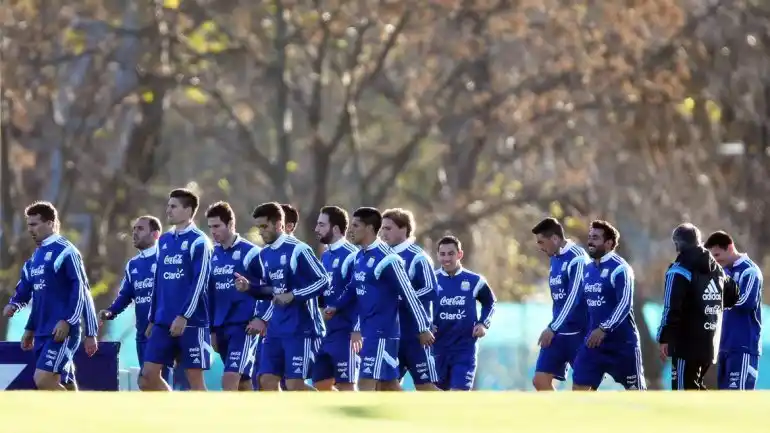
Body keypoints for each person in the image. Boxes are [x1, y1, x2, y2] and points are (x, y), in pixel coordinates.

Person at [324, 207, 434, 391]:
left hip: (382, 333)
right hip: (369, 331)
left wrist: (423, 328)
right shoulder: (360, 255)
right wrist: (336, 306)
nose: (350, 230)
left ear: (369, 228)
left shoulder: (388, 259)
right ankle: (419, 417)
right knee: (387, 386)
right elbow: (353, 287)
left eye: (356, 225)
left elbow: (409, 295)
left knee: (365, 383)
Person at [4, 201, 99, 390]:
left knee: (43, 379)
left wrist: (72, 323)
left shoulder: (66, 251)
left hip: (61, 330)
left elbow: (81, 291)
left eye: (35, 224)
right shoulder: (34, 259)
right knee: (64, 383)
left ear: (51, 223)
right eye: (28, 224)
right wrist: (18, 310)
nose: (30, 229)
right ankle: (81, 417)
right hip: (41, 331)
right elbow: (28, 290)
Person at [235, 202, 327, 391]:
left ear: (279, 224)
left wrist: (293, 295)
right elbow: (271, 291)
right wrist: (249, 288)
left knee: (294, 385)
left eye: (264, 226)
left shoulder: (299, 250)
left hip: (299, 329)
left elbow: (323, 280)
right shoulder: (265, 255)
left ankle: (326, 411)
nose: (260, 232)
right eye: (258, 227)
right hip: (276, 328)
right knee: (265, 381)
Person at [141, 188, 213, 391]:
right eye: (168, 205)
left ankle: (209, 420)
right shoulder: (163, 240)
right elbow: (158, 281)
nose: (168, 210)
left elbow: (200, 282)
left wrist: (184, 316)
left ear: (188, 211)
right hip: (163, 321)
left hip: (191, 322)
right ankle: (173, 411)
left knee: (194, 380)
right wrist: (153, 317)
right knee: (147, 376)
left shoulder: (199, 242)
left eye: (173, 206)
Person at [656, 224, 734, 390]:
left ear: (678, 244)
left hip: (686, 345)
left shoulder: (678, 270)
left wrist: (665, 337)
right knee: (695, 389)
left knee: (683, 393)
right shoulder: (718, 271)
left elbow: (671, 307)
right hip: (710, 343)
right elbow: (733, 295)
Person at [98, 216, 173, 388]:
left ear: (155, 234)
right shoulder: (133, 265)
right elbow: (126, 294)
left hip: (161, 330)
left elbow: (172, 293)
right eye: (134, 229)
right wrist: (111, 311)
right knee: (147, 383)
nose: (135, 233)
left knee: (150, 378)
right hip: (142, 332)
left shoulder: (166, 260)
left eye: (140, 229)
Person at [571, 220, 646, 391]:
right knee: (578, 392)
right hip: (593, 344)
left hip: (622, 344)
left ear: (609, 243)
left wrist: (604, 328)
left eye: (596, 238)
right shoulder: (587, 269)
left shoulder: (621, 269)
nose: (590, 241)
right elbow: (583, 305)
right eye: (590, 237)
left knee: (637, 395)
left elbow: (625, 304)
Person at [206, 202, 273, 391]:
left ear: (230, 224)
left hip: (244, 328)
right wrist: (212, 330)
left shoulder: (251, 253)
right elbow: (211, 294)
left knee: (229, 379)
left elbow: (273, 288)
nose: (213, 231)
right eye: (210, 227)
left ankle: (226, 420)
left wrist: (262, 318)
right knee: (243, 382)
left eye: (217, 226)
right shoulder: (214, 254)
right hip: (221, 327)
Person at [380, 208, 439, 390]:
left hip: (415, 335)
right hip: (391, 335)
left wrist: (402, 299)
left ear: (404, 229)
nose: (383, 233)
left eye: (388, 228)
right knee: (384, 385)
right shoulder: (382, 256)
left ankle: (454, 413)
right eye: (382, 228)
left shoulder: (418, 257)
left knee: (425, 387)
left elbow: (431, 289)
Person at [530, 217, 589, 391]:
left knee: (581, 388)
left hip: (580, 333)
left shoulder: (577, 258)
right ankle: (556, 416)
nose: (540, 247)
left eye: (542, 242)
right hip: (559, 332)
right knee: (540, 380)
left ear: (555, 238)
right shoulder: (554, 258)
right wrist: (556, 327)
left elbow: (573, 298)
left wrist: (552, 327)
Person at [432, 235, 496, 391]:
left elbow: (490, 302)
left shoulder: (475, 281)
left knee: (458, 394)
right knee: (436, 397)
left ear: (460, 254)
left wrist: (483, 323)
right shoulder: (432, 280)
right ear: (438, 255)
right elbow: (418, 306)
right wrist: (426, 326)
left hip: (464, 349)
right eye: (442, 254)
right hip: (437, 349)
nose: (446, 258)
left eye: (451, 253)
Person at [311, 205, 360, 391]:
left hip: (346, 333)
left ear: (336, 229)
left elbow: (359, 294)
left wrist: (357, 328)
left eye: (322, 225)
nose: (317, 229)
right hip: (328, 331)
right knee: (321, 384)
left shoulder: (352, 255)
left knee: (346, 385)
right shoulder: (326, 256)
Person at [704, 230, 759, 390]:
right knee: (724, 400)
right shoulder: (721, 271)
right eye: (712, 257)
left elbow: (745, 302)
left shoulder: (750, 271)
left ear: (729, 248)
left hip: (743, 346)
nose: (715, 260)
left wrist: (716, 302)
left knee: (739, 398)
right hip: (722, 346)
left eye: (717, 255)